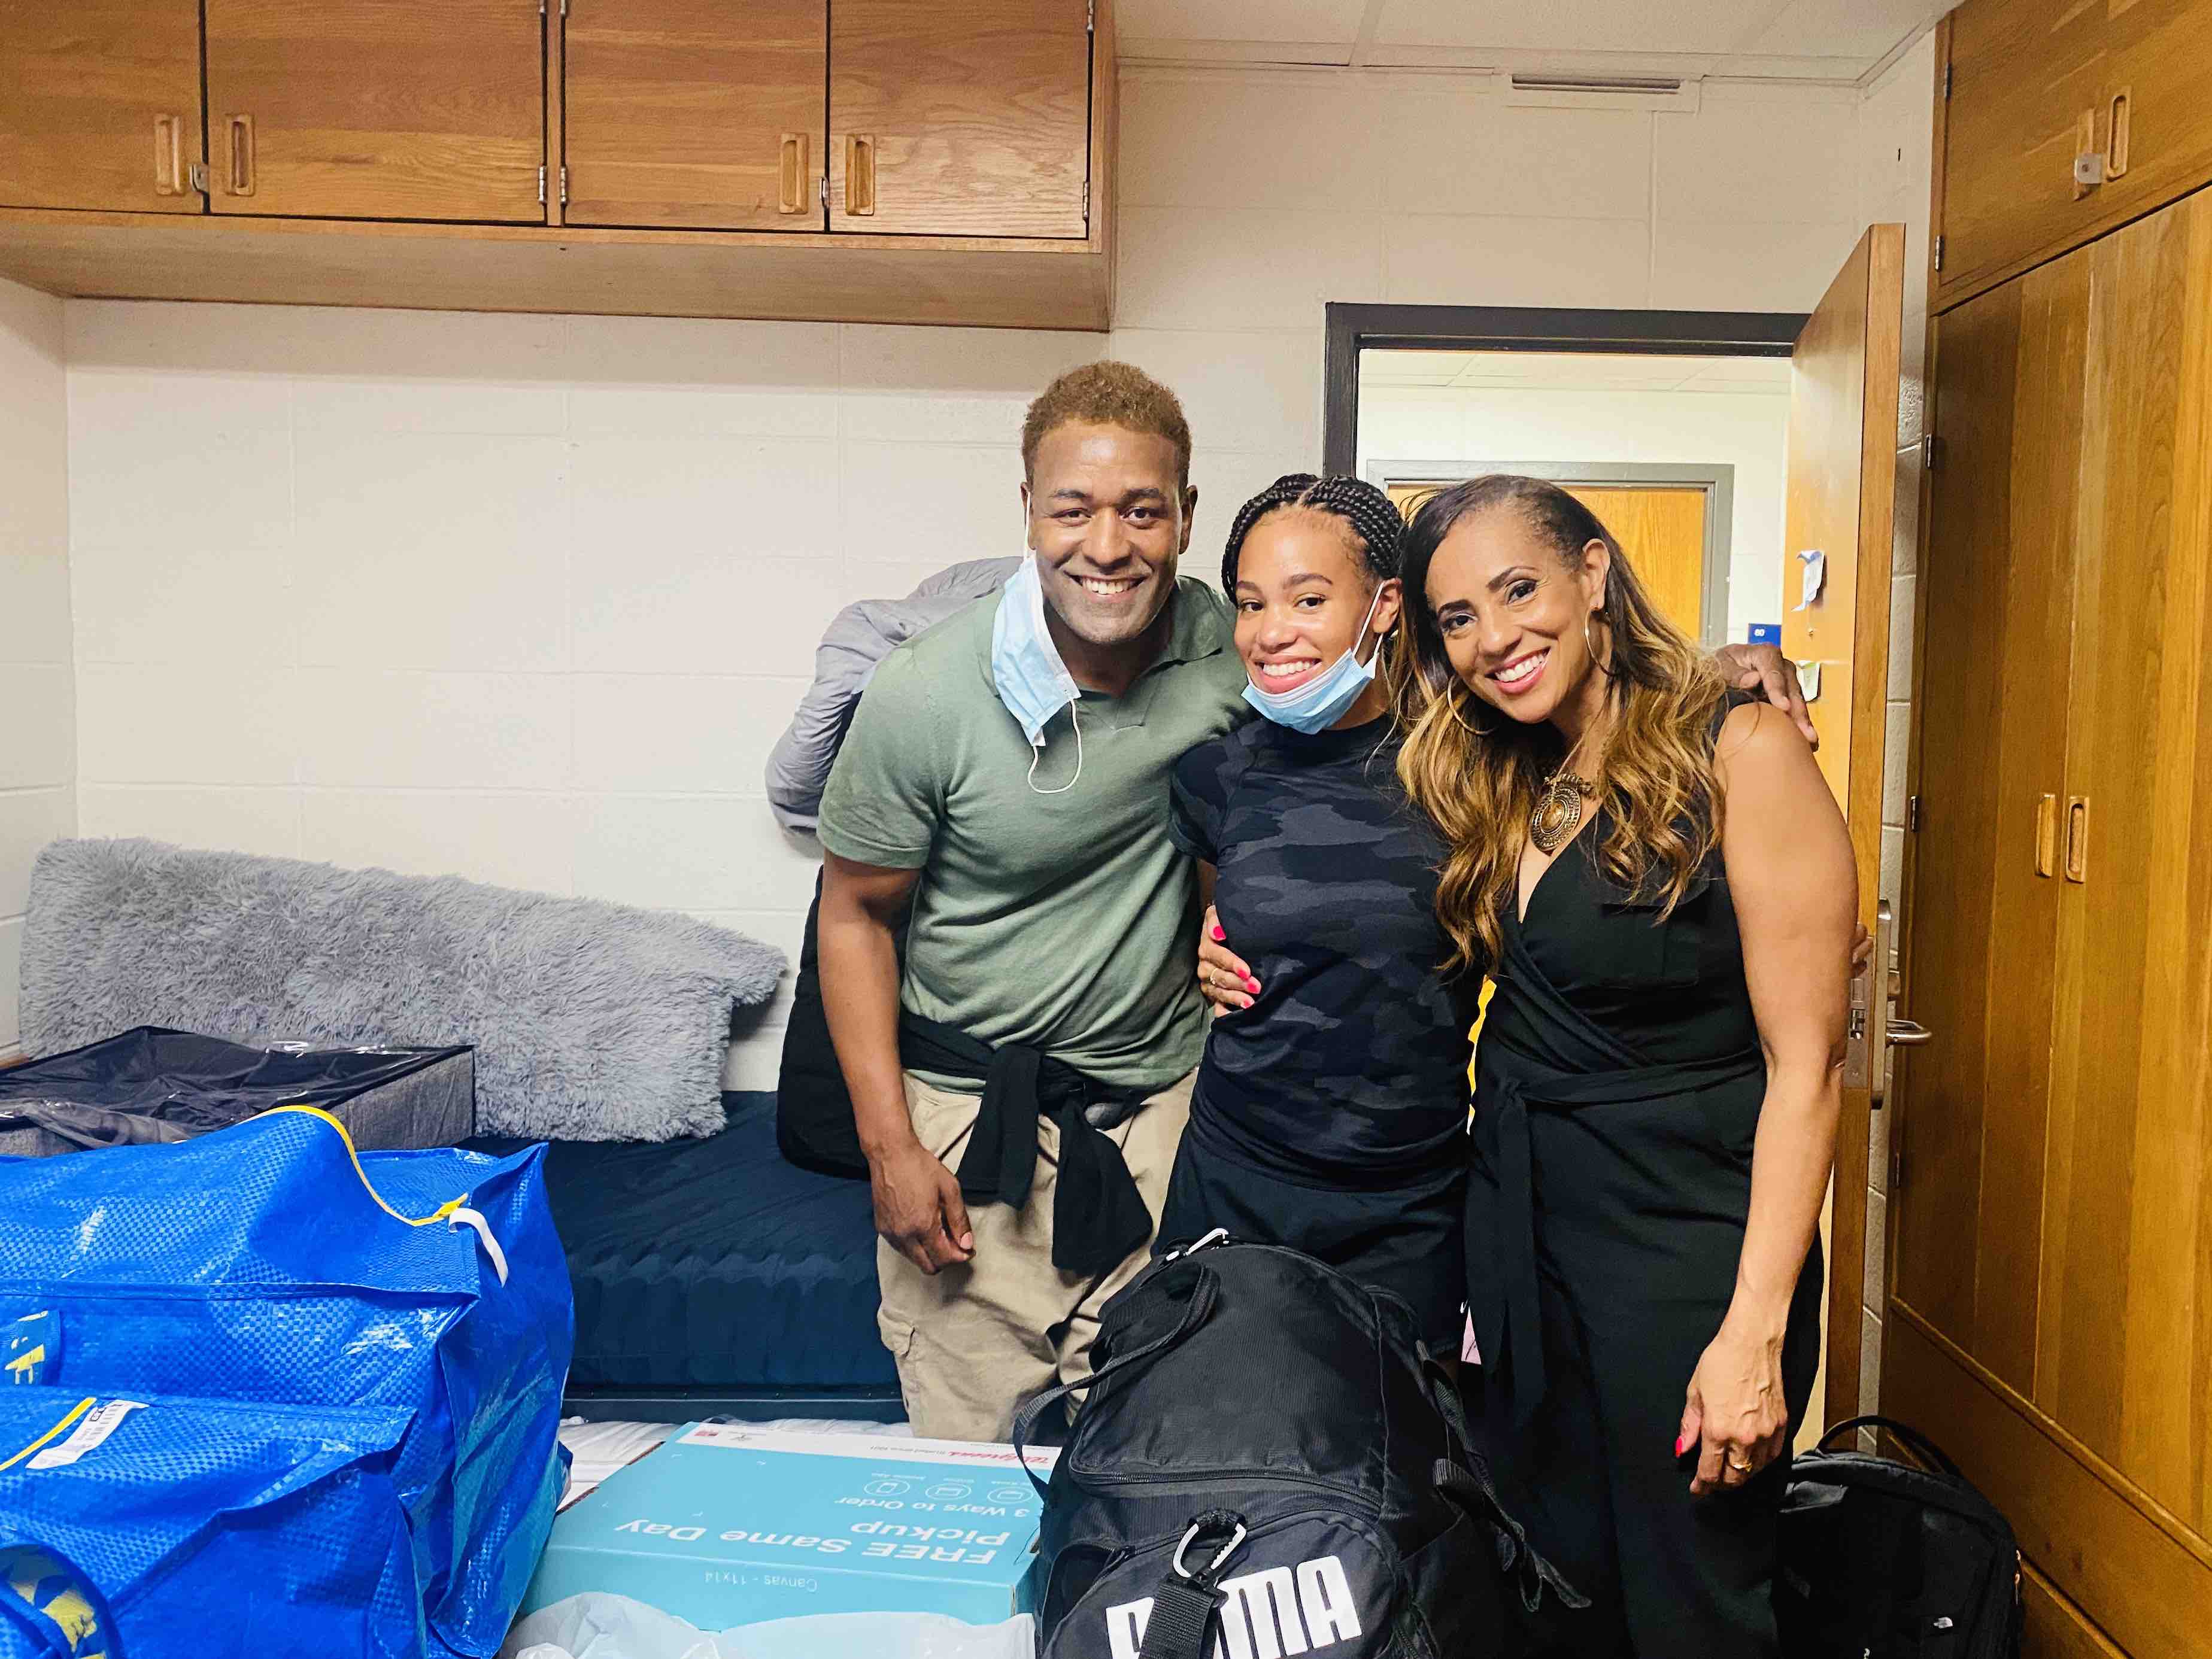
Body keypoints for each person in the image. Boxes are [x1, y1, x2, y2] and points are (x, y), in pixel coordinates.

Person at [1394, 474, 1854, 1656]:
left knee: (1695, 1603)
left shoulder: (1742, 747)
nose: (1495, 637)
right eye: (1459, 617)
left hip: (1683, 1251)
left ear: (1593, 574)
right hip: (1528, 1246)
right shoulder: (1509, 770)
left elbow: (1808, 1069)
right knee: (1557, 1593)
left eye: (1519, 589)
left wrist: (1755, 1334)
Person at [813, 363, 1249, 1442]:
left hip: (1163, 1119)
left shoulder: (1237, 657)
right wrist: (891, 1150)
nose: (1107, 545)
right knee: (972, 1489)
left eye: (1142, 510)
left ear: (1187, 515)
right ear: (1028, 512)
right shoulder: (927, 693)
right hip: (971, 1129)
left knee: (1157, 1476)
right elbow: (854, 914)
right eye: (1073, 510)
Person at [1156, 475, 1474, 1348]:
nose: (1270, 632)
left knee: (1396, 1429)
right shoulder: (1215, 775)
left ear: (1384, 605)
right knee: (1204, 1416)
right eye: (1251, 604)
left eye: (1308, 599)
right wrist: (1210, 949)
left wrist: (1734, 675)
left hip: (1408, 1198)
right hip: (1238, 1176)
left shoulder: (1465, 770)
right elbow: (1228, 927)